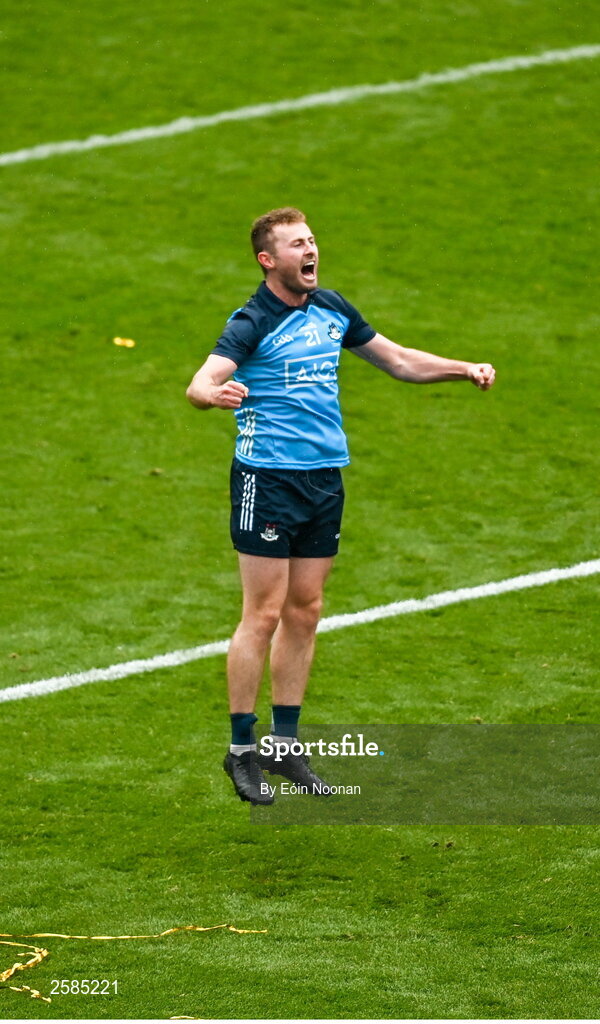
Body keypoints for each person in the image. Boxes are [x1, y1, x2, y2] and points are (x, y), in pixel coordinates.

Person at [186, 207, 496, 806]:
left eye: (312, 240)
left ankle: (285, 744)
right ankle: (241, 751)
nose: (310, 251)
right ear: (267, 260)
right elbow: (201, 381)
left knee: (306, 610)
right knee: (264, 613)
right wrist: (210, 396)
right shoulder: (251, 321)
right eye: (296, 244)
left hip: (324, 480)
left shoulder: (331, 308)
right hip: (268, 480)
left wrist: (463, 368)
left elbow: (397, 360)